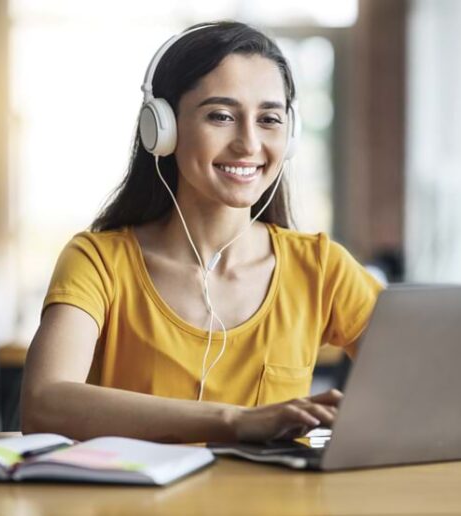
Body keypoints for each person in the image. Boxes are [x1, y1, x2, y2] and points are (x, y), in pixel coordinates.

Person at [20, 21, 382, 444]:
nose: (248, 143)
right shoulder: (98, 261)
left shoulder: (322, 268)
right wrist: (234, 421)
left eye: (269, 119)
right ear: (163, 129)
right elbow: (44, 403)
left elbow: (424, 387)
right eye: (221, 116)